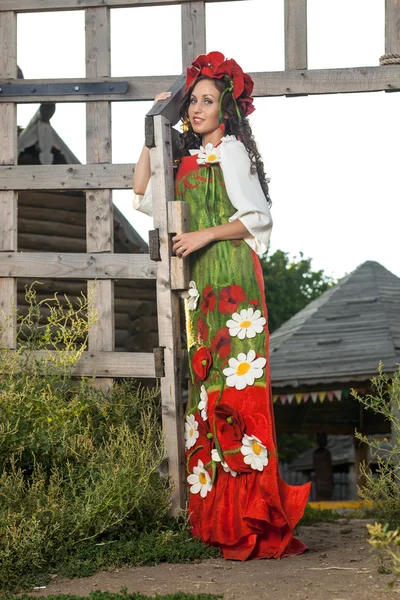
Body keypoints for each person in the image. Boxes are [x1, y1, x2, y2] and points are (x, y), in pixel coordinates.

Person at [133, 51, 311, 560]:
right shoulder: (184, 160)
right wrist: (152, 124)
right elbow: (141, 190)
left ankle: (253, 519)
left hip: (234, 279)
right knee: (208, 391)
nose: (196, 109)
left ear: (226, 110)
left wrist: (203, 234)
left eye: (207, 101)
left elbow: (259, 217)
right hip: (201, 289)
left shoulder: (231, 151)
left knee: (238, 387)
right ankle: (220, 518)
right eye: (192, 101)